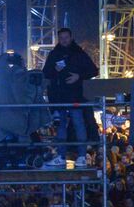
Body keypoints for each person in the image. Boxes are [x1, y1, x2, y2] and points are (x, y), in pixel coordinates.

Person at [41, 27, 98, 166]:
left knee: (78, 124)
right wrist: (55, 70)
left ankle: (82, 156)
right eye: (61, 38)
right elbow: (46, 73)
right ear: (59, 39)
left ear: (71, 38)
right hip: (59, 96)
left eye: (66, 38)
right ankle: (61, 156)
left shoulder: (79, 53)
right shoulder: (54, 54)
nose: (64, 40)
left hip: (73, 95)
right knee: (62, 126)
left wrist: (79, 76)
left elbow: (94, 70)